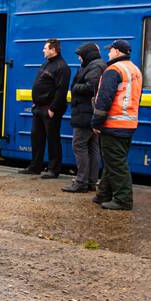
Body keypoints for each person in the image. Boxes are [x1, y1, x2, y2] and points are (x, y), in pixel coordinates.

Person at [91, 39, 143, 211]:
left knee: (116, 164)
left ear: (118, 52)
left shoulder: (113, 70)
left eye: (111, 50)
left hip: (113, 124)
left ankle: (123, 199)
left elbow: (104, 99)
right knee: (113, 161)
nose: (108, 53)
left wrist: (96, 122)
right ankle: (103, 194)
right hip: (128, 123)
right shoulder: (135, 70)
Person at [19, 38, 70, 178]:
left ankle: (54, 169)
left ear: (53, 49)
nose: (43, 50)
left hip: (50, 109)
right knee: (36, 137)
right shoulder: (47, 64)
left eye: (45, 48)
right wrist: (36, 102)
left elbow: (61, 91)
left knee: (53, 139)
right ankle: (35, 166)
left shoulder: (62, 67)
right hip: (39, 108)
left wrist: (52, 109)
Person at [62, 42, 105, 193]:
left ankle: (81, 182)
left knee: (79, 146)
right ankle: (91, 182)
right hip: (89, 113)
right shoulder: (96, 65)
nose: (79, 58)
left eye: (80, 55)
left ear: (87, 54)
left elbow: (91, 87)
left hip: (86, 113)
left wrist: (74, 87)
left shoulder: (95, 67)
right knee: (92, 148)